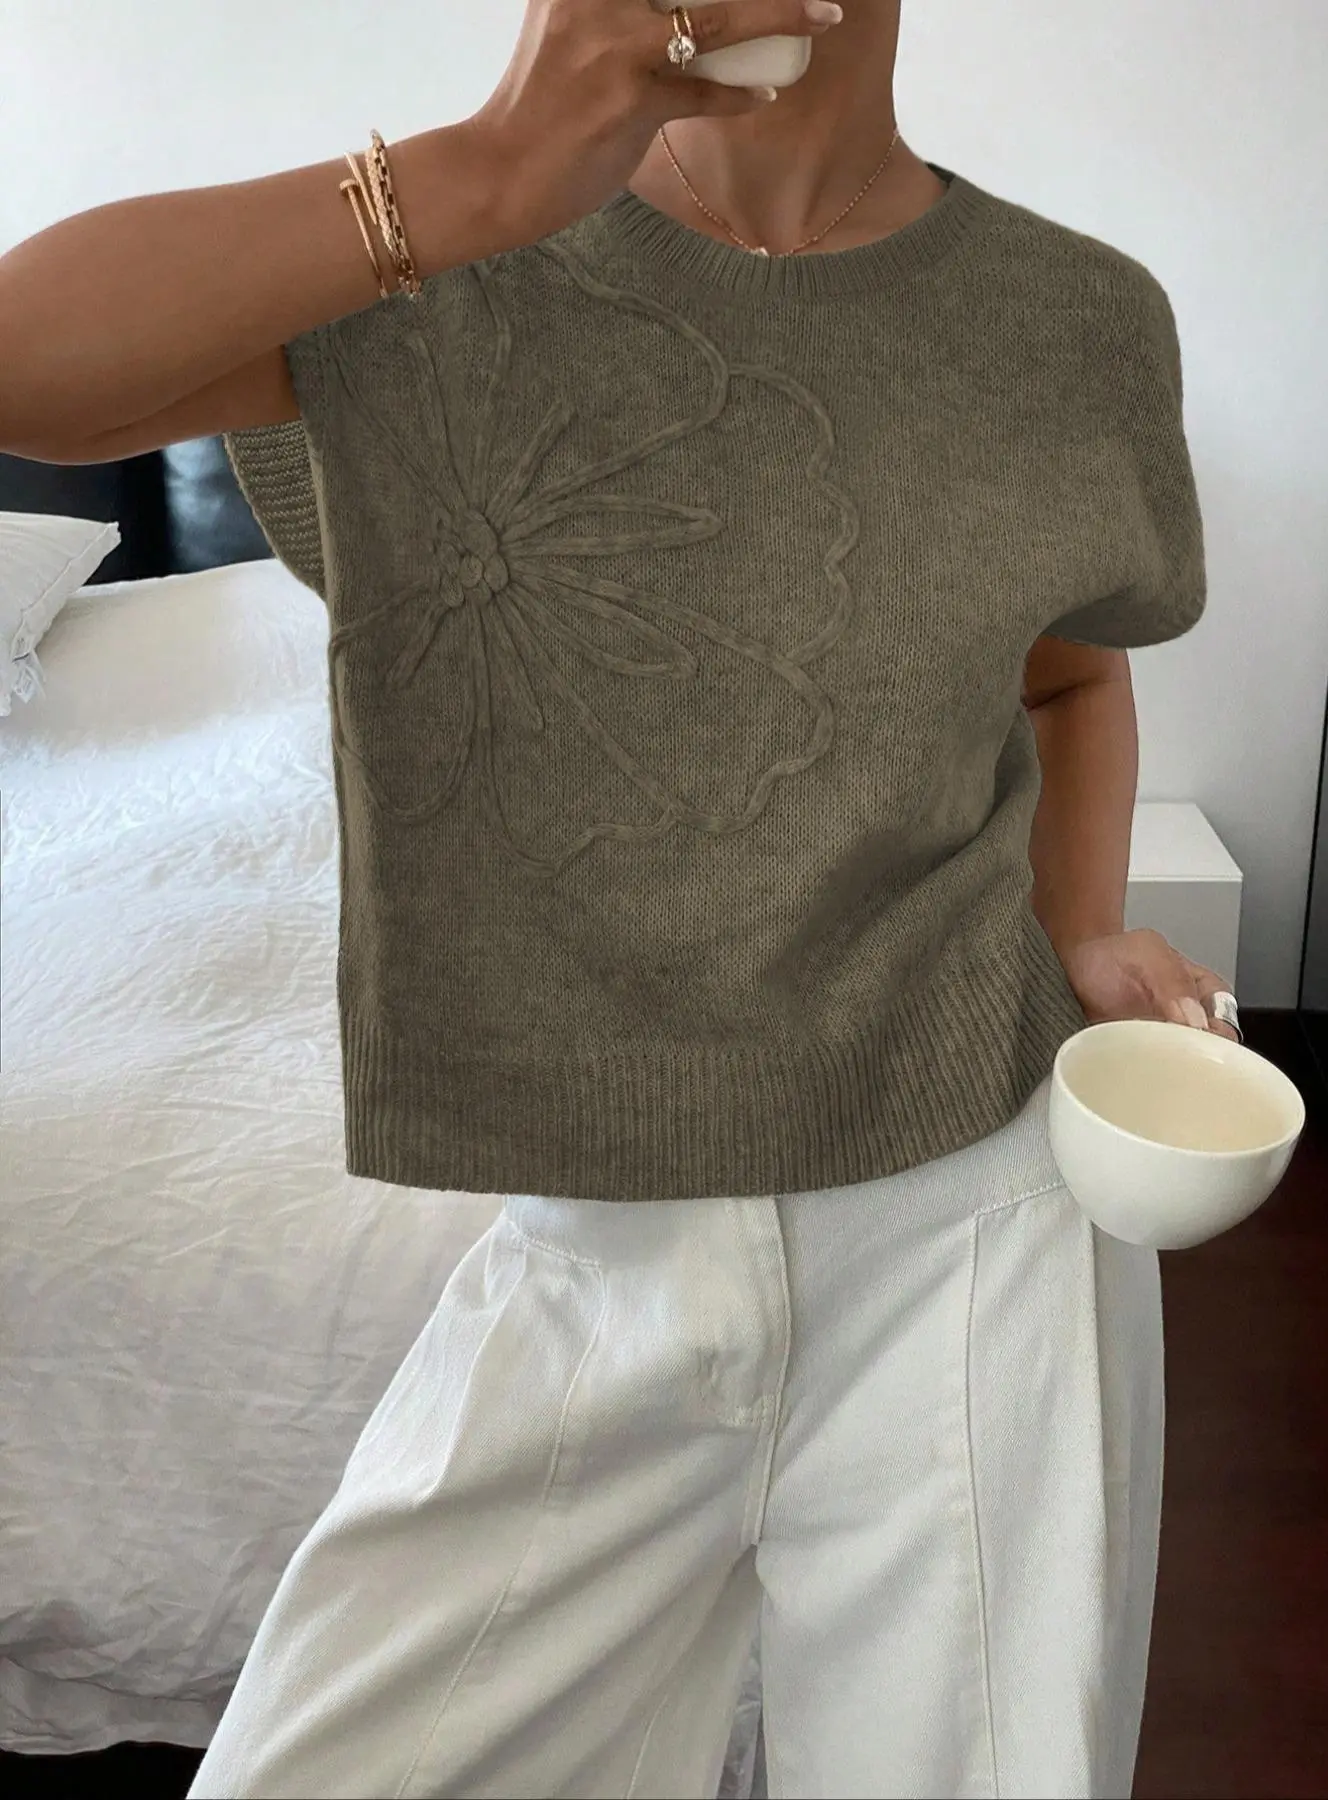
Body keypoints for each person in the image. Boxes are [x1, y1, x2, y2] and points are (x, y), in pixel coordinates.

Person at [0, 2, 1231, 1794]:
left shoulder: (1076, 317)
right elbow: (23, 374)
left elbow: (1065, 675)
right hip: (594, 1236)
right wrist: (491, 167)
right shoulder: (429, 259)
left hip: (980, 1212)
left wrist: (1082, 936)